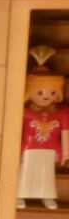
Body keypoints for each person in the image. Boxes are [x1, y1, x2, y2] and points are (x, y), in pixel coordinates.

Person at [19, 70, 69, 209]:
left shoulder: (61, 113)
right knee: (26, 171)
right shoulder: (24, 112)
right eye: (40, 92)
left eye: (52, 92)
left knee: (47, 174)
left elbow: (66, 132)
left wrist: (66, 153)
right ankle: (20, 194)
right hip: (28, 147)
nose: (46, 96)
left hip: (51, 149)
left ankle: (47, 196)